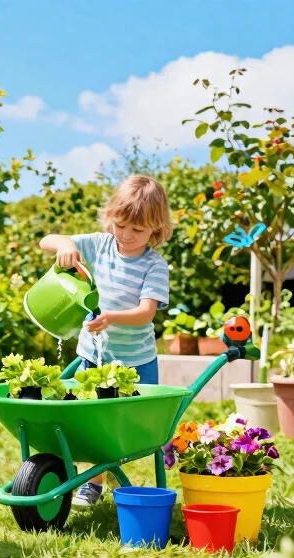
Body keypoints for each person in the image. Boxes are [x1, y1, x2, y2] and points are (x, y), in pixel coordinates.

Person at [39, 174, 172, 506]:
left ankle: (117, 469)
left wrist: (112, 318)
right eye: (120, 225)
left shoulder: (154, 266)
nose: (125, 236)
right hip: (94, 356)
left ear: (156, 230)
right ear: (111, 217)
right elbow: (47, 241)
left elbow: (145, 313)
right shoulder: (99, 244)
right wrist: (66, 245)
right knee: (93, 422)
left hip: (136, 362)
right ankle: (92, 483)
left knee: (126, 431)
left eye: (137, 230)